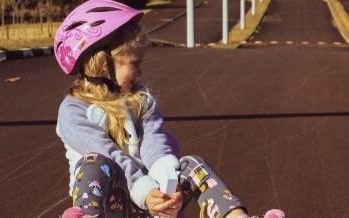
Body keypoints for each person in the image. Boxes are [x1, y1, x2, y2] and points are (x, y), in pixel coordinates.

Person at [54, 0, 287, 217]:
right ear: (104, 64)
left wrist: (169, 186)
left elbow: (154, 145)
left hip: (152, 203)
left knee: (191, 164)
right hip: (113, 204)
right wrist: (144, 192)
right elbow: (110, 155)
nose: (140, 73)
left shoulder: (141, 99)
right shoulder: (73, 111)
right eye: (134, 64)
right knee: (95, 161)